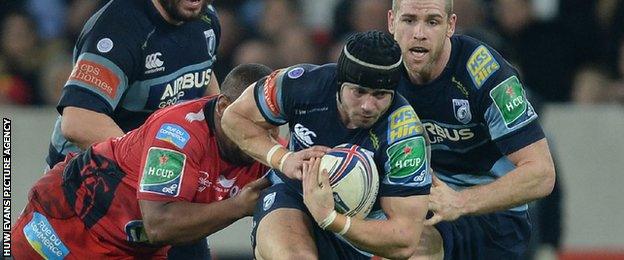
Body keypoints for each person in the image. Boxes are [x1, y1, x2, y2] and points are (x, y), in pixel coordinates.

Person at [11, 64, 273, 259]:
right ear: (224, 107)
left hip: (134, 247)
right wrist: (239, 206)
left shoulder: (272, 150)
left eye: (273, 125)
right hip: (70, 223)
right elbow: (158, 224)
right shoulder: (177, 134)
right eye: (254, 123)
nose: (266, 136)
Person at [222, 31, 432, 259]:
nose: (367, 106)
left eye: (380, 94)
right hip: (291, 197)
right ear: (339, 82)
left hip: (360, 231)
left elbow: (404, 239)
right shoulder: (301, 83)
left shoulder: (405, 136)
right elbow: (233, 118)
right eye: (359, 92)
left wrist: (330, 218)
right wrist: (282, 158)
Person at [44, 0, 221, 257]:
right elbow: (79, 120)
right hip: (89, 194)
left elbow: (203, 77)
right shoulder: (118, 26)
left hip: (158, 189)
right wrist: (157, 172)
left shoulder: (206, 19)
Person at [386, 0, 556, 259]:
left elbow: (542, 174)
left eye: (432, 22)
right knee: (410, 245)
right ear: (391, 22)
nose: (419, 33)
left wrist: (459, 202)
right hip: (425, 203)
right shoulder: (379, 72)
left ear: (450, 25)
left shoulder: (486, 75)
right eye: (409, 20)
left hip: (494, 216)